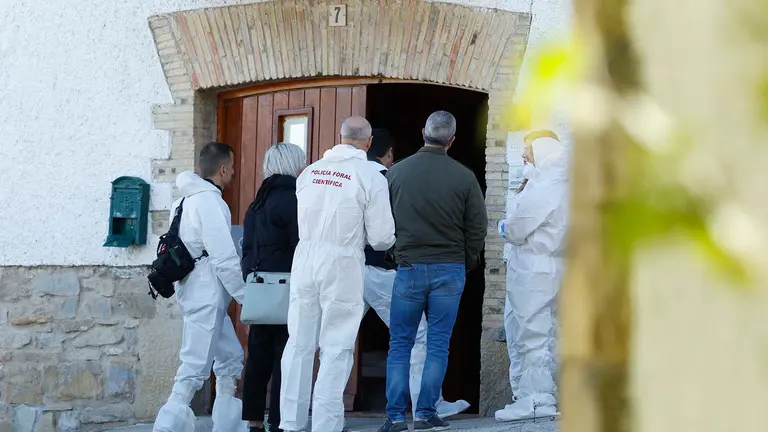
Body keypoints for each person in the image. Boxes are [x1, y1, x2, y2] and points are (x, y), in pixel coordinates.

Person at [280, 117, 396, 432]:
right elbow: (383, 237)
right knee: (336, 345)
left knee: (299, 342)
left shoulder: (310, 171)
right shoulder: (370, 176)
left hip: (305, 257)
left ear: (340, 137)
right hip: (343, 260)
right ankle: (326, 425)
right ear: (369, 143)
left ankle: (290, 422)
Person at [379, 111, 488, 432]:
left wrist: (394, 254)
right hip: (449, 269)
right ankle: (425, 413)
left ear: (423, 131)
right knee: (438, 343)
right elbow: (478, 228)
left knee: (400, 344)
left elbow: (383, 224)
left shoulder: (396, 173)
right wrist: (465, 261)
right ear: (452, 140)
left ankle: (396, 416)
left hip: (409, 268)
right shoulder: (465, 177)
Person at [363, 128, 471, 420]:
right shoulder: (387, 177)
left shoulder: (353, 176)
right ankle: (427, 408)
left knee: (338, 341)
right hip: (384, 270)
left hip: (347, 267)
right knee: (420, 338)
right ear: (387, 154)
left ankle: (326, 414)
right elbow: (390, 228)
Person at [153, 142, 247, 432]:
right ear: (222, 169)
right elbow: (224, 256)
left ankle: (228, 425)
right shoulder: (210, 202)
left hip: (193, 288)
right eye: (231, 166)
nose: (233, 171)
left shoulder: (183, 201)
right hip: (206, 292)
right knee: (194, 366)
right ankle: (167, 427)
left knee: (230, 357)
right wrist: (246, 296)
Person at [495, 130, 569, 422]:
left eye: (529, 150)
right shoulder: (566, 185)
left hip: (535, 270)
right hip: (553, 267)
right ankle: (541, 396)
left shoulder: (544, 187)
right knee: (548, 335)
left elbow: (515, 229)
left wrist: (504, 227)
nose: (524, 155)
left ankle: (537, 400)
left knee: (532, 335)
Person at [240, 143, 306, 432]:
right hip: (288, 286)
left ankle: (254, 420)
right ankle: (279, 421)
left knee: (257, 355)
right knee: (285, 356)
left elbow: (247, 248)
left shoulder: (257, 203)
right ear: (294, 165)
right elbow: (300, 246)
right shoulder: (294, 199)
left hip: (259, 289)